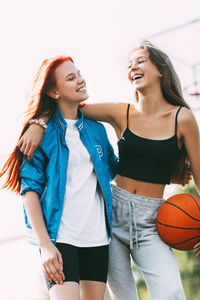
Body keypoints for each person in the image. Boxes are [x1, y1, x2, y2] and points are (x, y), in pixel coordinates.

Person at [15, 41, 200, 300]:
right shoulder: (120, 113)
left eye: (140, 61)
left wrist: (170, 176)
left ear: (161, 70)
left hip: (142, 222)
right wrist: (38, 122)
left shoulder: (180, 118)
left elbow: (117, 168)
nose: (132, 67)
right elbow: (69, 109)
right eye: (129, 64)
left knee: (171, 293)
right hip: (109, 217)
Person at [0, 56, 119, 300]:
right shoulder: (39, 134)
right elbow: (29, 191)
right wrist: (45, 245)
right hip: (61, 239)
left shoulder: (97, 130)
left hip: (97, 239)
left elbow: (115, 170)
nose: (80, 80)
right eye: (70, 77)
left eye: (79, 73)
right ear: (54, 91)